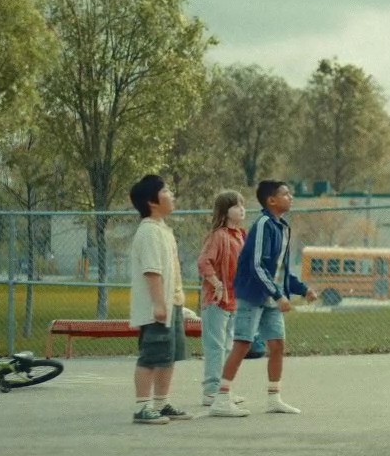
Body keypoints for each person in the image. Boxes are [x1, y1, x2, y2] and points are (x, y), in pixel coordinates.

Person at [217, 180, 316, 413]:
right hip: (253, 294)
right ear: (271, 200)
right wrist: (278, 295)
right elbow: (257, 265)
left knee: (277, 344)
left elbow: (280, 269)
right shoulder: (263, 224)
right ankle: (221, 399)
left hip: (271, 296)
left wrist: (303, 289)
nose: (291, 197)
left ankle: (274, 399)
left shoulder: (282, 227)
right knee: (243, 343)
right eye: (286, 194)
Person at [127, 174, 196, 426]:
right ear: (152, 201)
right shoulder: (149, 231)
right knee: (151, 356)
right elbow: (152, 271)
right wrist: (158, 304)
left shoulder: (163, 230)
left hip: (172, 304)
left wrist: (176, 303)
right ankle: (142, 407)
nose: (171, 195)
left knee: (168, 356)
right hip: (158, 307)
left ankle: (161, 403)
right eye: (166, 191)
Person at [197, 189, 250, 417]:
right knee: (216, 346)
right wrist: (216, 283)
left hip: (234, 301)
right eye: (236, 205)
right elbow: (204, 262)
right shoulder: (218, 236)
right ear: (225, 211)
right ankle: (211, 390)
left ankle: (223, 390)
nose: (242, 209)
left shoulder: (240, 235)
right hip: (216, 301)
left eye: (242, 205)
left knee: (228, 346)